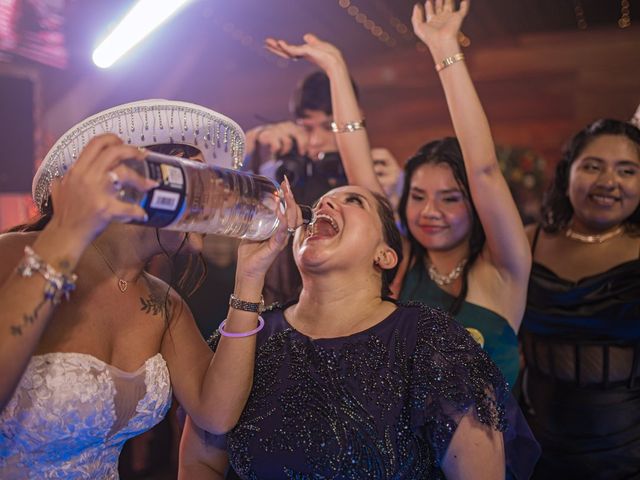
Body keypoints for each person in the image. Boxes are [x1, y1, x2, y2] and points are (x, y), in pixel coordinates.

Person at [0, 99, 298, 479]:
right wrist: (67, 234)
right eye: (202, 183)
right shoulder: (12, 257)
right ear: (148, 182)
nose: (216, 202)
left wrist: (251, 276)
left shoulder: (163, 304)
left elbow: (216, 413)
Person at [178, 181, 539, 479]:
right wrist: (250, 274)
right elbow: (201, 460)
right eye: (319, 201)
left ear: (385, 256)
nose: (325, 206)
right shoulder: (251, 337)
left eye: (353, 201)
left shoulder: (429, 340)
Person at [259, 0, 530, 388]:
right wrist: (336, 66)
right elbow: (361, 180)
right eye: (418, 196)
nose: (429, 211)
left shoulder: (504, 270)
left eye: (450, 198)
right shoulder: (397, 262)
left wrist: (444, 50)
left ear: (475, 205)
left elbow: (484, 171)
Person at [519, 118, 640, 479]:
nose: (608, 182)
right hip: (536, 443)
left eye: (627, 170)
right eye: (592, 166)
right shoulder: (527, 242)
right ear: (566, 172)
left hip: (628, 452)